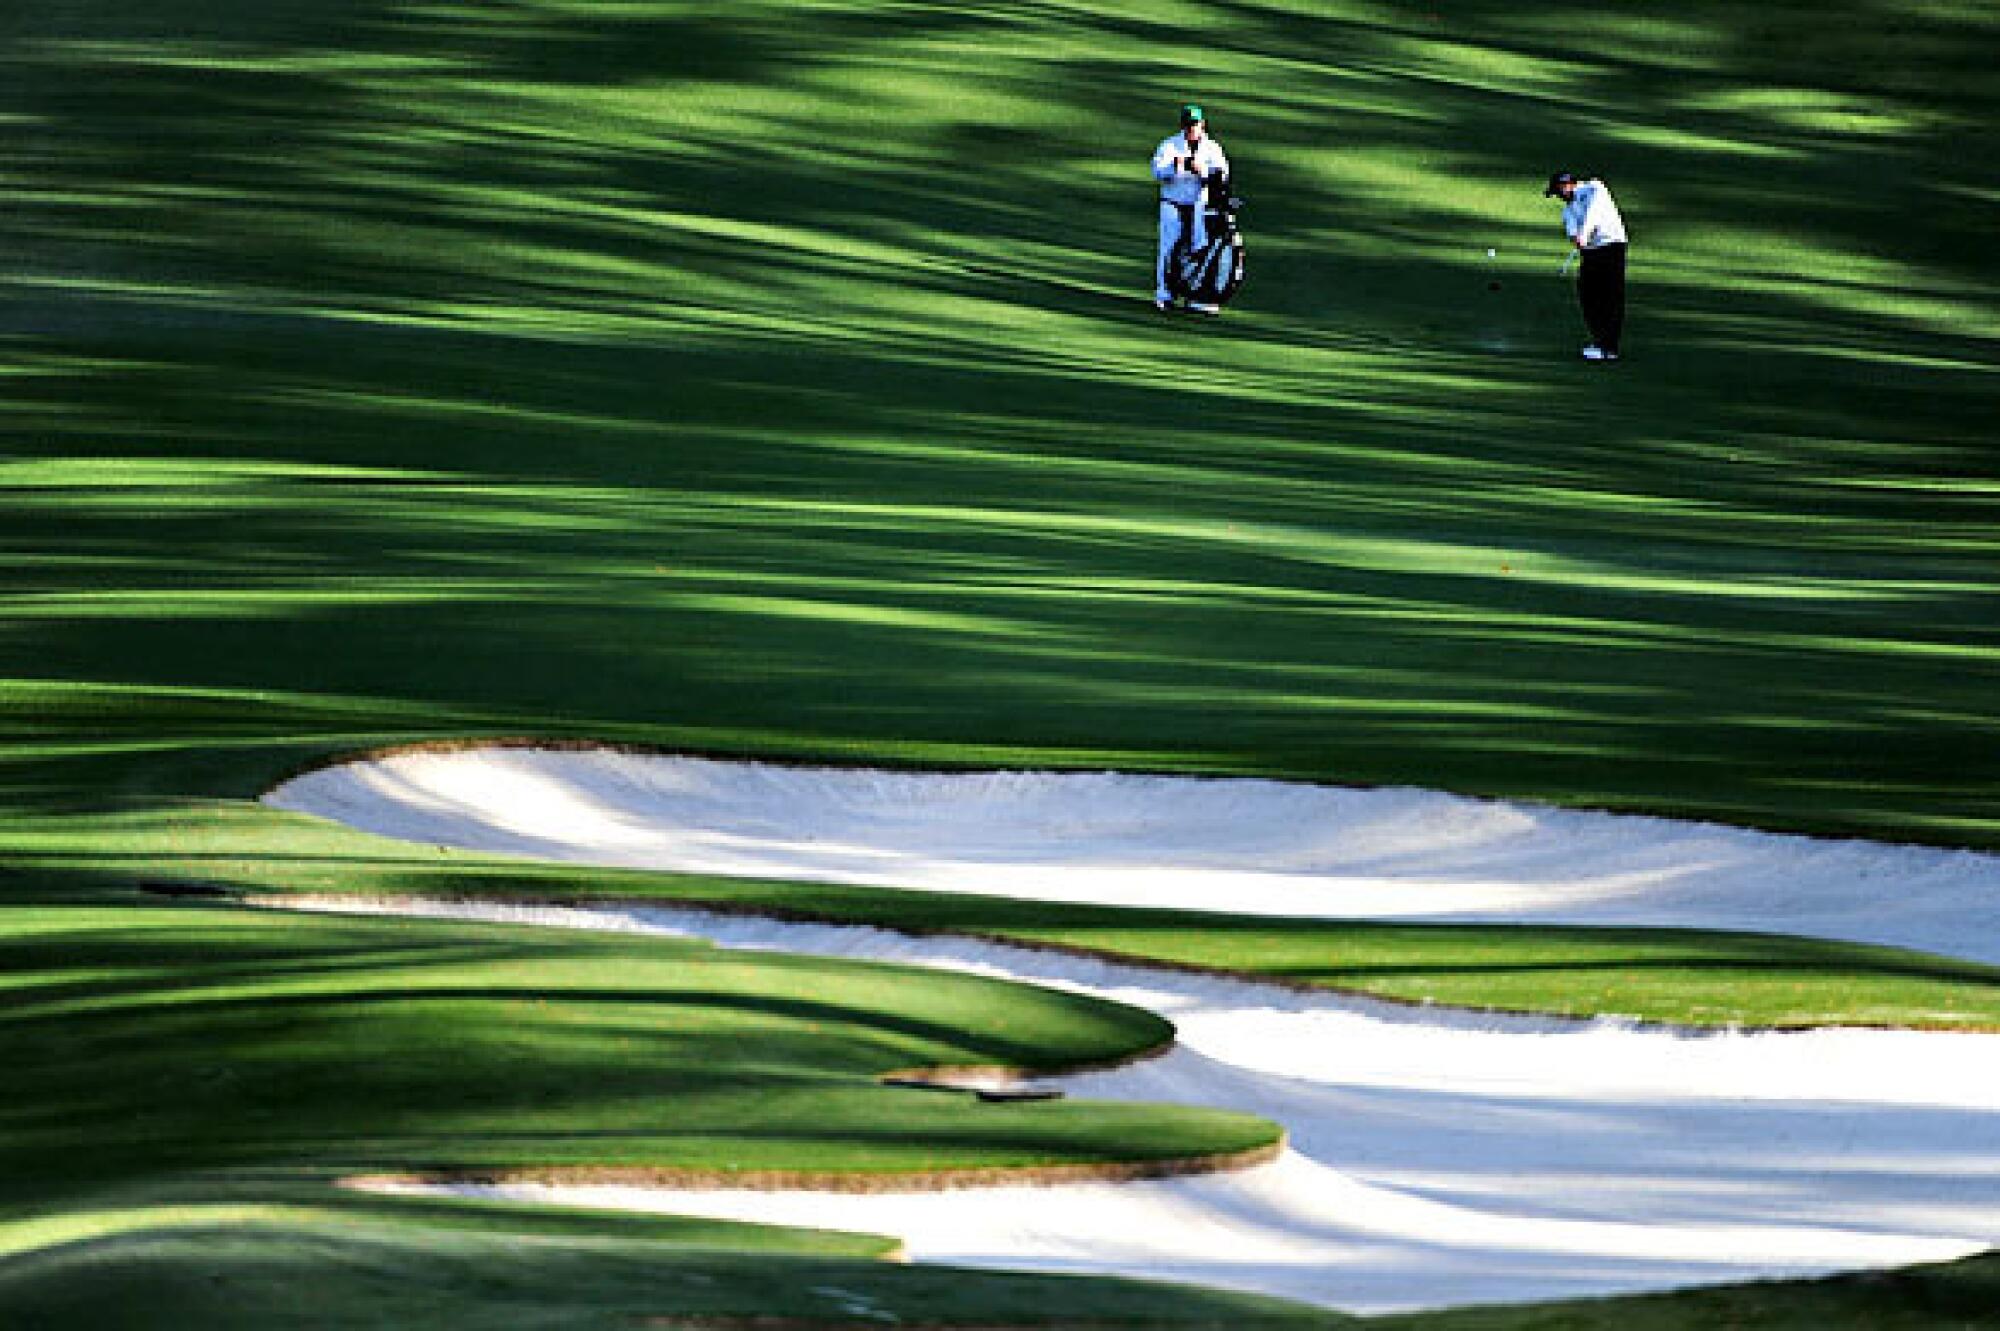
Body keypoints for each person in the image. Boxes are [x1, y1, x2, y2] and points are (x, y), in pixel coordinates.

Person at [1152, 103, 1230, 314]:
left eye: (1194, 124)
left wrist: (1202, 169)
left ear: (1202, 124)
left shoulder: (1212, 148)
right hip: (1173, 204)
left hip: (1199, 207)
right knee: (1169, 249)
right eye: (1187, 124)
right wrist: (1176, 166)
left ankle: (1195, 295)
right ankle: (1164, 295)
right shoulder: (1169, 146)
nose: (1191, 128)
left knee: (1199, 250)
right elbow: (1157, 172)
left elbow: (1222, 174)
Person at [1545, 171, 1629, 361]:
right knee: (1588, 295)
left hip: (1612, 246)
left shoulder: (1595, 188)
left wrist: (1585, 233)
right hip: (1591, 252)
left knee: (1611, 296)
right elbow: (1572, 230)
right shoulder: (1568, 210)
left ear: (1567, 186)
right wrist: (1578, 238)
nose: (1559, 197)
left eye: (1558, 192)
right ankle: (1599, 341)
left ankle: (1610, 347)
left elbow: (1594, 212)